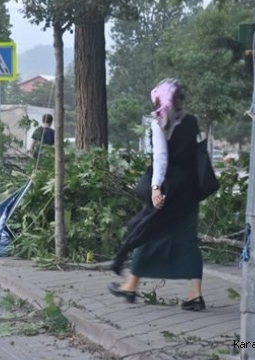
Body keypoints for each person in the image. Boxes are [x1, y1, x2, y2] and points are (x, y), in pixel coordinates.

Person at [108, 78, 206, 312]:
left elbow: (160, 158)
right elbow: (200, 154)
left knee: (147, 232)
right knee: (188, 241)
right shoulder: (192, 121)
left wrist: (155, 188)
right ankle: (195, 295)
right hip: (189, 191)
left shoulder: (159, 122)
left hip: (169, 190)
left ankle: (131, 286)